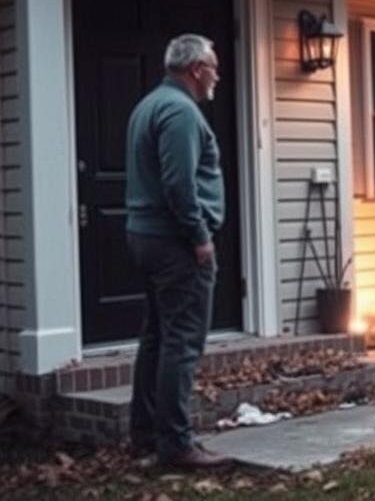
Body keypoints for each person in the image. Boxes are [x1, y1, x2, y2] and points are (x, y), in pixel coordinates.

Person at [124, 34, 229, 468]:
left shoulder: (148, 105)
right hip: (175, 244)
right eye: (214, 68)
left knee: (157, 338)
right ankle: (176, 445)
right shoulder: (181, 112)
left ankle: (146, 436)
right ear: (197, 69)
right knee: (182, 342)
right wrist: (200, 237)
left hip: (145, 238)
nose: (218, 77)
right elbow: (179, 184)